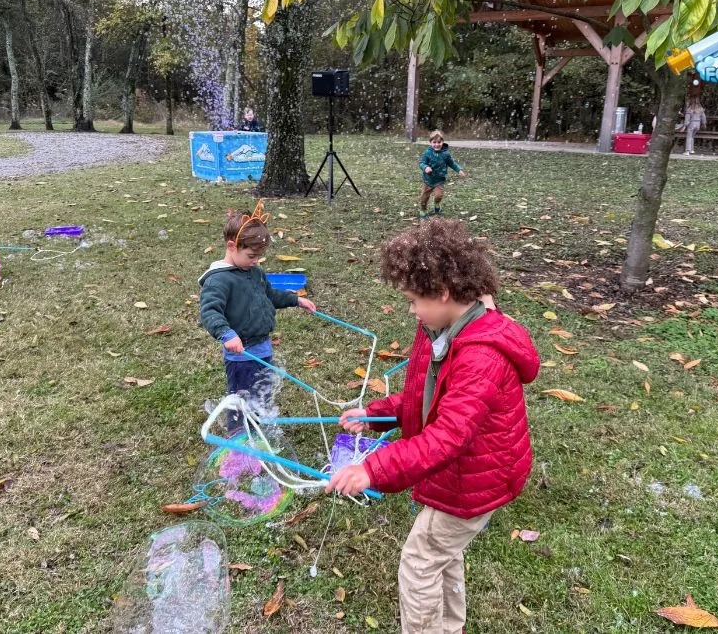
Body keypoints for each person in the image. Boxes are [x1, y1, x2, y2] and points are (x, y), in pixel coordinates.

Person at [326, 219, 540, 634]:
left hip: (477, 475)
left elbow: (447, 435)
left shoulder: (480, 356)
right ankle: (450, 626)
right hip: (468, 471)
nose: (411, 309)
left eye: (412, 300)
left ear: (442, 293)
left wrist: (372, 469)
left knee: (421, 559)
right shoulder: (443, 327)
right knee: (441, 551)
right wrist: (375, 414)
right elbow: (428, 397)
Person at [199, 200, 315, 433]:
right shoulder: (218, 280)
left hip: (263, 347)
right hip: (240, 355)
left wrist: (295, 299)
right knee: (241, 400)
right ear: (232, 246)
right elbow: (210, 311)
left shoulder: (253, 271)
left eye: (259, 257)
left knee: (261, 393)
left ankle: (257, 430)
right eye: (251, 255)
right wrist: (226, 334)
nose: (256, 261)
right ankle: (239, 441)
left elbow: (269, 295)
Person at [418, 130, 465, 220]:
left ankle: (437, 204)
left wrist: (459, 170)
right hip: (428, 180)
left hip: (439, 180)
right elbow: (422, 162)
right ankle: (423, 211)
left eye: (439, 142)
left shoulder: (445, 154)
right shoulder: (427, 153)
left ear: (443, 142)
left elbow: (451, 163)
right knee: (424, 198)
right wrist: (425, 167)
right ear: (430, 143)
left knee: (438, 196)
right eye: (434, 142)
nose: (437, 144)